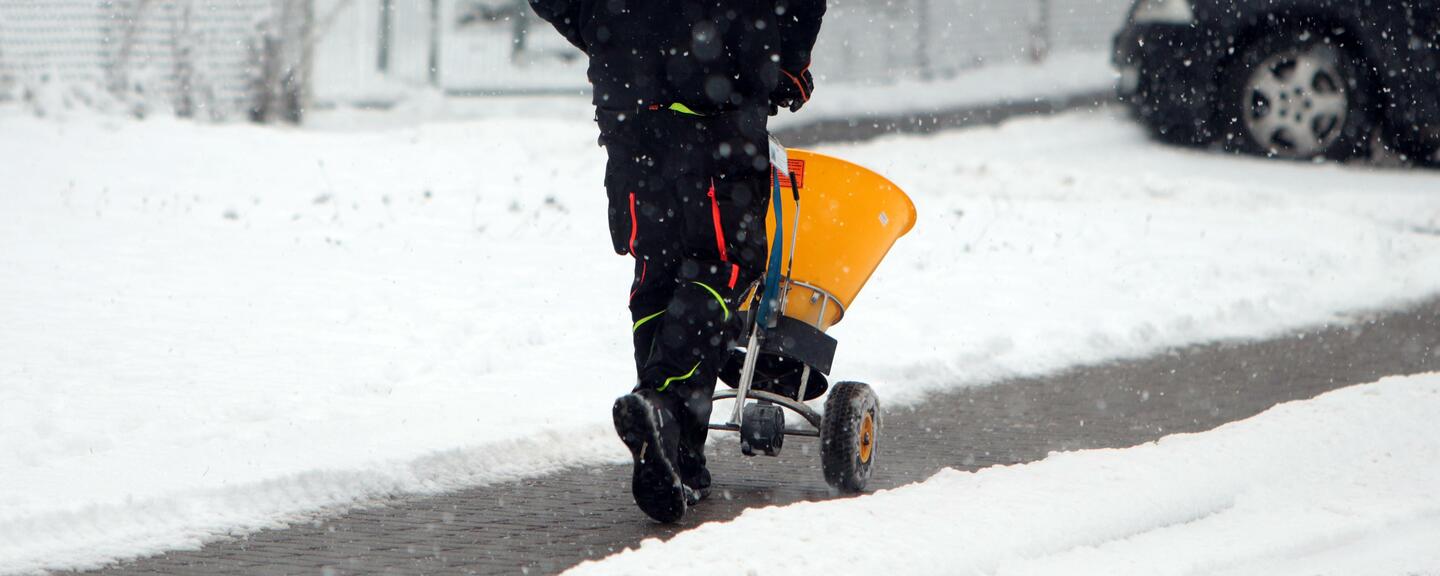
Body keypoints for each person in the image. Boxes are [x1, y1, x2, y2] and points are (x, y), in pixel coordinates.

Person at [528, 0, 825, 522]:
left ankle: (679, 457)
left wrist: (608, 31)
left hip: (631, 114)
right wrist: (787, 61)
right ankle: (662, 408)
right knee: (717, 268)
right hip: (718, 105)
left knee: (657, 277)